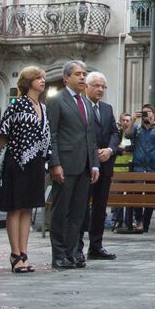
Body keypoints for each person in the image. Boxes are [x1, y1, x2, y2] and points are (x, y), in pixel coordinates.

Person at [0, 66, 51, 274]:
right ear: (28, 81)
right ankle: (15, 253)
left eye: (44, 78)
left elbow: (46, 137)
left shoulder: (43, 107)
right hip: (17, 161)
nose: (42, 81)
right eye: (38, 78)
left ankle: (24, 252)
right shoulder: (18, 104)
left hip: (36, 162)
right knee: (16, 206)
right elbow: (3, 132)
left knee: (28, 207)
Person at [46, 60, 98, 268]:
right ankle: (58, 254)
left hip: (84, 164)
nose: (82, 78)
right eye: (78, 74)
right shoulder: (57, 101)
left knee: (79, 212)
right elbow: (53, 134)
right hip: (65, 164)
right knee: (61, 212)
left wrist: (94, 163)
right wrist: (55, 164)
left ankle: (74, 251)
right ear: (66, 78)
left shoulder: (86, 103)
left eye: (84, 74)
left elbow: (90, 136)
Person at [82, 71, 119, 261]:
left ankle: (96, 246)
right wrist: (95, 152)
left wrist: (110, 150)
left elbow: (115, 132)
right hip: (86, 164)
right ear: (86, 87)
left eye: (103, 86)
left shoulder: (107, 108)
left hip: (105, 165)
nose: (100, 89)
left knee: (100, 206)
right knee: (82, 207)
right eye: (96, 85)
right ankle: (76, 247)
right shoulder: (80, 106)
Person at [125, 106, 155, 233]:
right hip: (139, 165)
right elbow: (127, 134)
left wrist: (154, 123)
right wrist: (134, 119)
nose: (147, 115)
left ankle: (146, 223)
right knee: (137, 193)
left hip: (153, 166)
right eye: (145, 113)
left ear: (153, 114)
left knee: (151, 195)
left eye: (149, 113)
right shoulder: (137, 129)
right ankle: (139, 220)